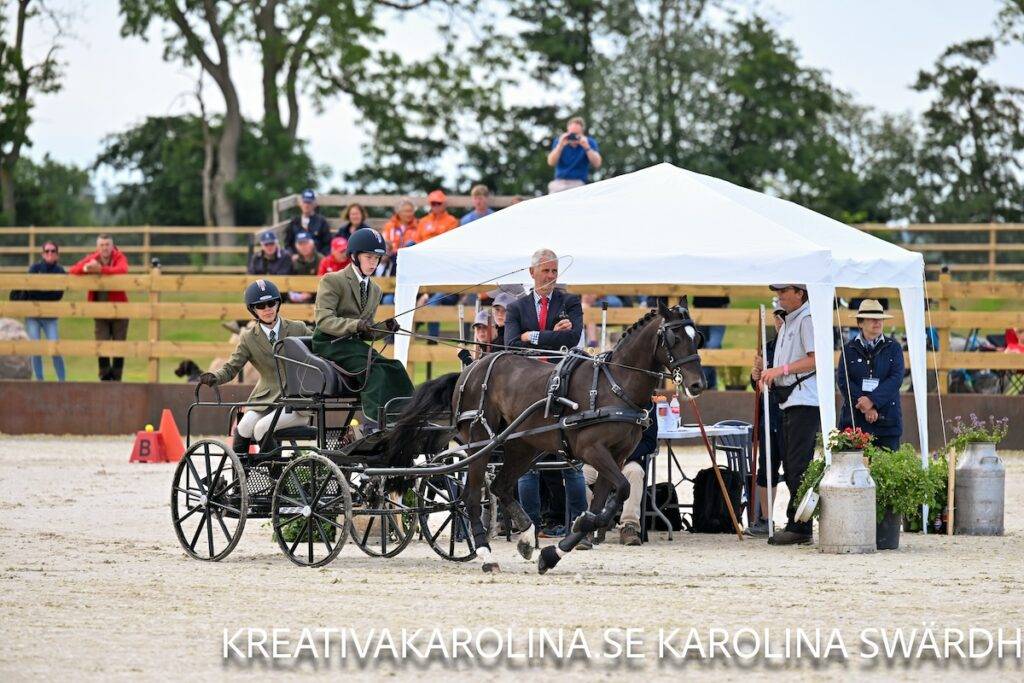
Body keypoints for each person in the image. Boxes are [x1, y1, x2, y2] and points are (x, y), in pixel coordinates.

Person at [504, 248, 589, 548]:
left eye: (554, 271)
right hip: (528, 389)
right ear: (532, 273)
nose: (551, 277)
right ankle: (531, 529)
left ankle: (580, 530)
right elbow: (511, 345)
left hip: (562, 386)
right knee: (527, 464)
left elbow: (572, 339)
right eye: (546, 271)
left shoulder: (569, 302)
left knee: (571, 463)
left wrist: (533, 336)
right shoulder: (517, 307)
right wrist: (552, 335)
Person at [311, 228, 412, 427]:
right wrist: (356, 324)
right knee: (375, 371)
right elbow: (324, 320)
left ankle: (407, 417)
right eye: (369, 257)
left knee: (396, 368)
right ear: (354, 256)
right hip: (330, 343)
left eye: (377, 258)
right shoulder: (333, 280)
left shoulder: (375, 290)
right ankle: (372, 424)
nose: (373, 263)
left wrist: (385, 328)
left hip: (354, 346)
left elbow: (366, 331)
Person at [199, 280, 311, 454]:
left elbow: (321, 348)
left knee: (261, 428)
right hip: (264, 399)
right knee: (243, 427)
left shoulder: (298, 328)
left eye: (271, 303)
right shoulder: (248, 338)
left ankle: (274, 469)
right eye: (260, 306)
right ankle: (240, 469)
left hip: (296, 400)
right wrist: (215, 377)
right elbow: (231, 367)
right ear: (253, 309)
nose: (267, 309)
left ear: (278, 304)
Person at [759, 284, 818, 545]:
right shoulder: (790, 321)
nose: (779, 296)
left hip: (804, 400)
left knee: (797, 466)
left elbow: (815, 359)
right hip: (790, 399)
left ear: (799, 293)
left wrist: (779, 370)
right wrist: (769, 375)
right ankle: (797, 522)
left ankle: (801, 527)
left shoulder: (806, 320)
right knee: (792, 465)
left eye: (784, 291)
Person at [582, 404, 656, 546]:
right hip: (597, 461)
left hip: (626, 460)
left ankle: (629, 526)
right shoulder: (598, 398)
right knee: (578, 477)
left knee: (635, 472)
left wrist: (624, 454)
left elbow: (650, 442)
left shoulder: (645, 404)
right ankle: (590, 522)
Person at [837, 300, 904, 451]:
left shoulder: (894, 348)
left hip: (887, 421)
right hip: (854, 421)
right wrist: (866, 406)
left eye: (880, 318)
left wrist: (872, 401)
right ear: (860, 323)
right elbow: (843, 381)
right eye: (872, 318)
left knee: (888, 464)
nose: (877, 322)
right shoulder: (848, 349)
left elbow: (896, 379)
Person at [745, 301, 787, 537]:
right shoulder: (768, 347)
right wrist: (755, 376)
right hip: (769, 414)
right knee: (766, 468)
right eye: (777, 317)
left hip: (789, 412)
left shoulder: (796, 348)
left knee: (793, 468)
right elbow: (758, 387)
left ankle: (795, 519)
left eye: (784, 317)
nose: (780, 322)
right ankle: (765, 518)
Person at [69, 234, 129, 381]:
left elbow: (122, 269)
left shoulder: (119, 256)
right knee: (101, 344)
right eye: (101, 245)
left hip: (120, 309)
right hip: (99, 310)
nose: (104, 248)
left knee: (119, 346)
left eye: (107, 244)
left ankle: (117, 378)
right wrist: (87, 268)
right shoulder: (93, 258)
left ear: (112, 246)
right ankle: (104, 377)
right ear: (97, 247)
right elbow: (74, 270)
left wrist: (101, 270)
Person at [18, 242, 66, 381]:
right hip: (33, 316)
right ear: (42, 254)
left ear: (57, 254)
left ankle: (62, 382)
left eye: (53, 251)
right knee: (35, 349)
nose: (50, 253)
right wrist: (46, 291)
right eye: (47, 251)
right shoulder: (34, 268)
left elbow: (58, 295)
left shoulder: (60, 271)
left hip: (50, 316)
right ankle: (39, 381)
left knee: (55, 349)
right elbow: (29, 290)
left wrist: (40, 292)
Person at [546, 116, 602, 194]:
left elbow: (597, 163)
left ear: (582, 132)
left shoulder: (589, 142)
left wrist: (587, 147)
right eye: (571, 134)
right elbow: (551, 162)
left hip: (577, 182)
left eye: (576, 134)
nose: (573, 137)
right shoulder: (560, 142)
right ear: (567, 131)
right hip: (559, 182)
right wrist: (560, 146)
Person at [693, 295, 730, 389]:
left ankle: (700, 381)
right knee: (701, 347)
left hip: (720, 307)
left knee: (714, 346)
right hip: (699, 307)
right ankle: (712, 386)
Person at [284, 189, 332, 255]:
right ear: (300, 204)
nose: (306, 205)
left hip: (316, 257)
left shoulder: (321, 222)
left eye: (309, 202)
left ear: (315, 204)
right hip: (297, 257)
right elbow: (287, 244)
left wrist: (321, 256)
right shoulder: (294, 222)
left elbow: (327, 244)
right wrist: (292, 255)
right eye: (304, 202)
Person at [380, 199, 420, 278]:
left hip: (411, 259)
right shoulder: (390, 226)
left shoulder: (419, 226)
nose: (409, 214)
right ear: (398, 212)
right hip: (392, 258)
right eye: (406, 211)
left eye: (411, 211)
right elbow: (384, 243)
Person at [288, 231, 322, 304]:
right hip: (298, 295)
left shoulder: (320, 259)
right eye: (300, 244)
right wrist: (297, 295)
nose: (303, 247)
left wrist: (310, 293)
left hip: (316, 295)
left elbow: (323, 280)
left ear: (312, 244)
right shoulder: (294, 260)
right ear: (297, 247)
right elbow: (290, 279)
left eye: (306, 243)